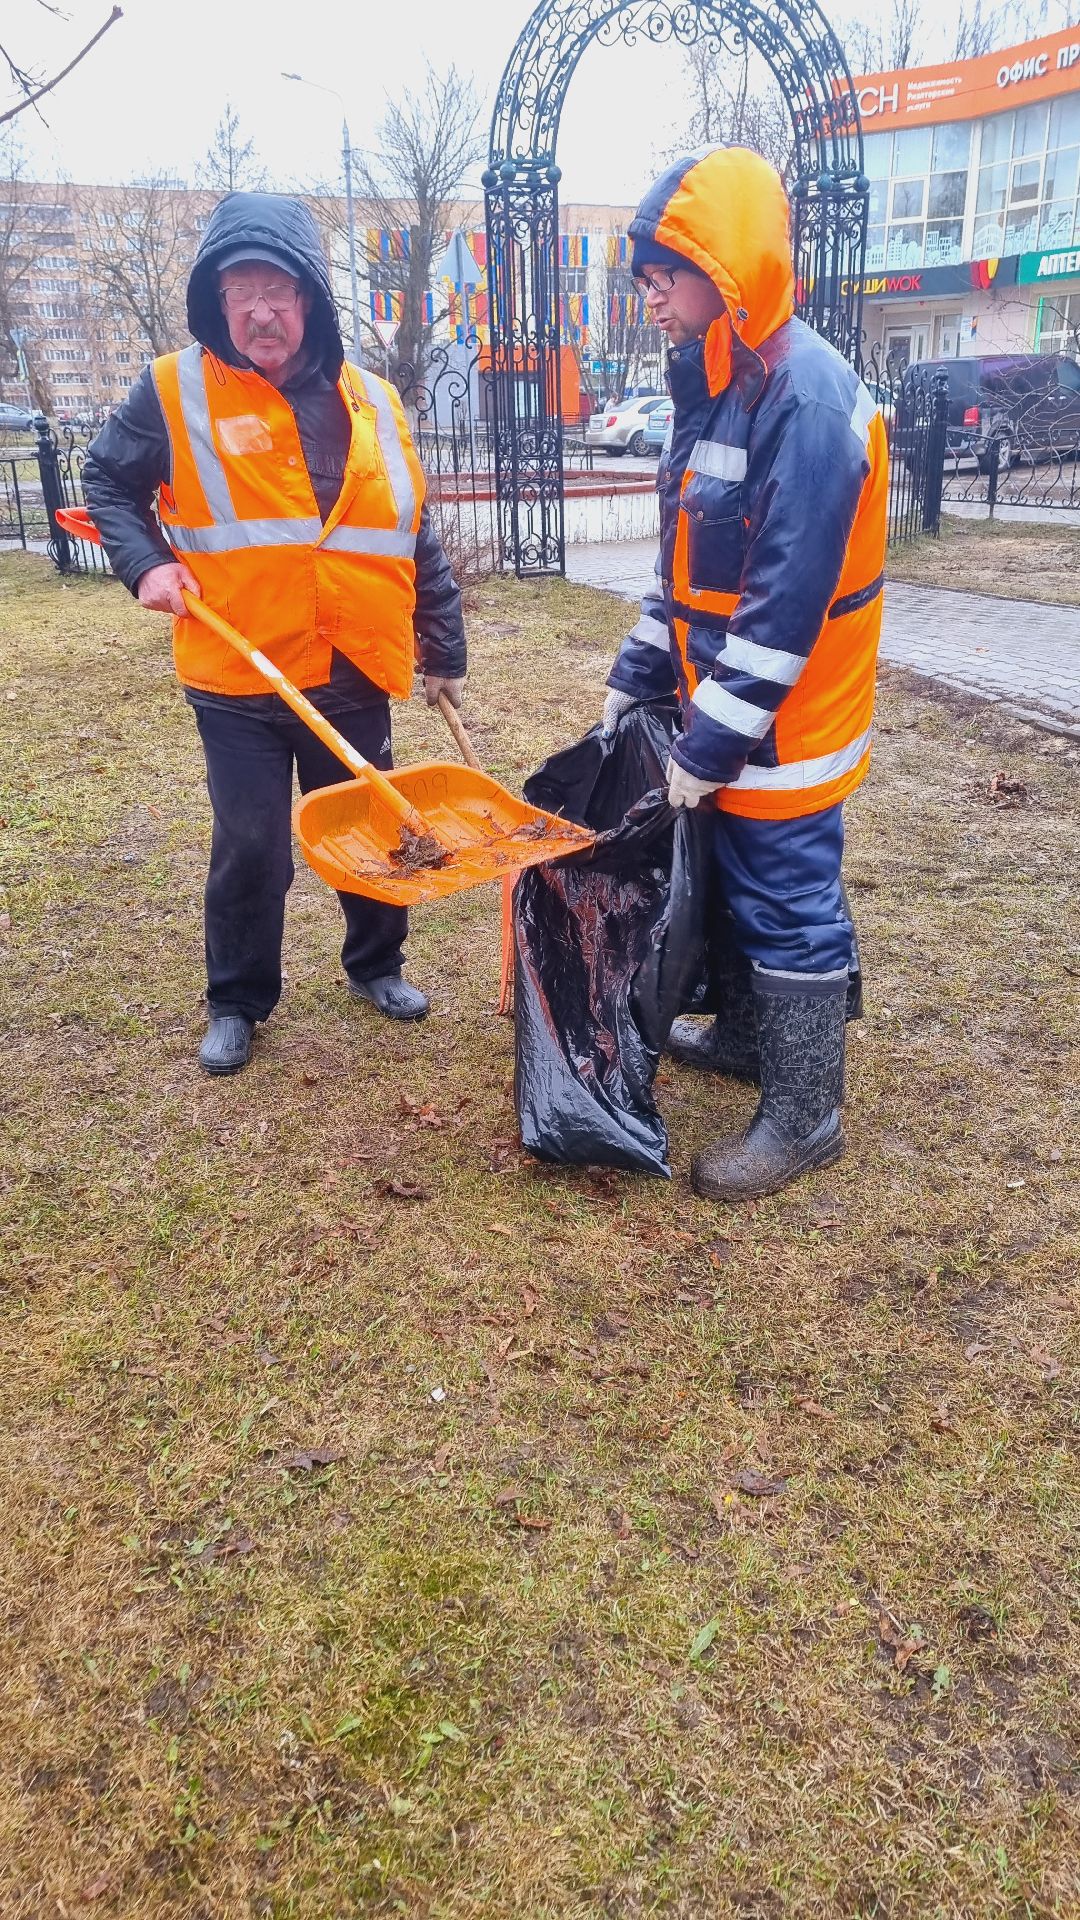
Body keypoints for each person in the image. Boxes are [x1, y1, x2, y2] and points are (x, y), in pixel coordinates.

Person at [84, 191, 466, 1076]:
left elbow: (414, 532)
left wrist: (443, 647)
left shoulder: (372, 403)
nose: (259, 309)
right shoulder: (174, 389)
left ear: (311, 299)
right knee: (252, 844)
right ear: (217, 303)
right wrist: (146, 564)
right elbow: (108, 481)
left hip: (352, 663)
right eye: (238, 290)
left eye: (277, 290)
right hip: (239, 671)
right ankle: (238, 999)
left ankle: (377, 964)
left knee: (372, 830)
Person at [601, 147, 888, 1203]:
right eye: (644, 279)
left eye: (662, 276)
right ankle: (747, 1031)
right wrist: (640, 673)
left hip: (791, 723)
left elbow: (782, 608)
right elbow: (688, 566)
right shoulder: (716, 382)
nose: (651, 302)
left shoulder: (805, 402)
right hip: (730, 710)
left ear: (723, 274)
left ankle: (806, 1112)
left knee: (787, 899)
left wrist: (707, 745)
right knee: (728, 881)